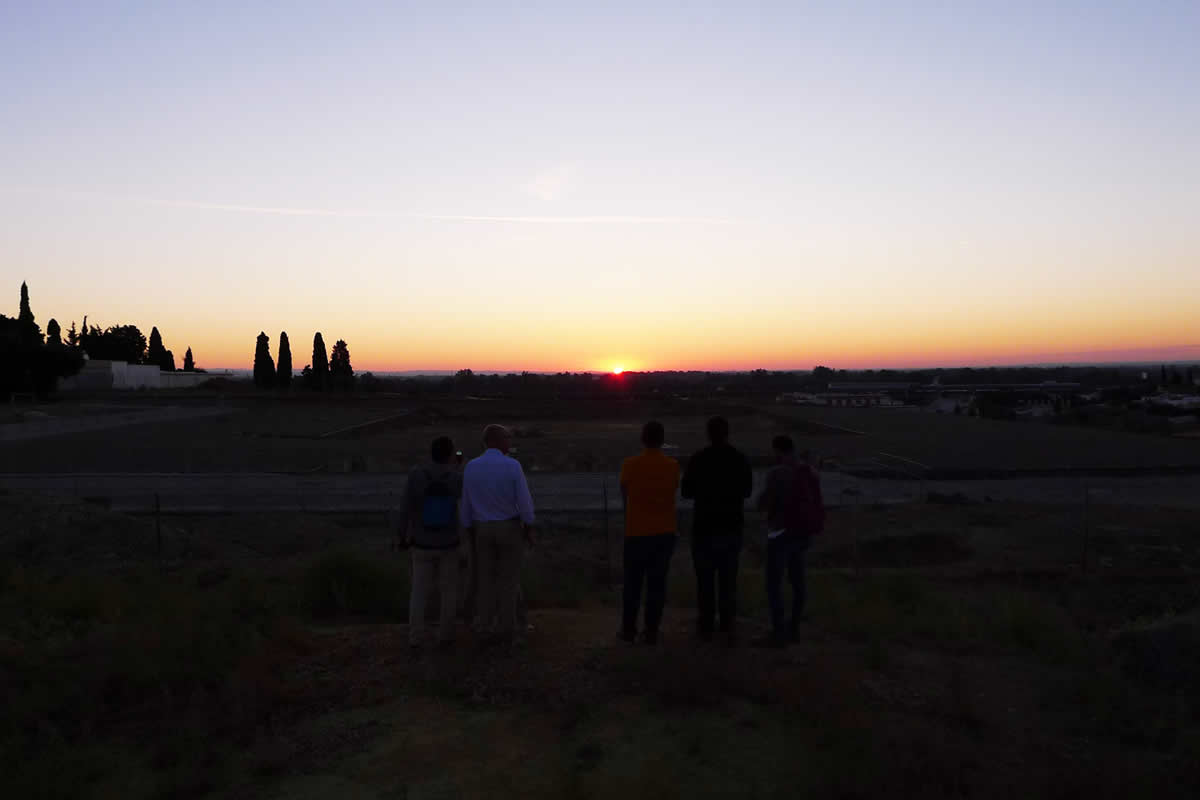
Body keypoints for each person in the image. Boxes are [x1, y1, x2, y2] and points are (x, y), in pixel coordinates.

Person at [460, 424, 536, 645]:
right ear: (499, 440)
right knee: (509, 580)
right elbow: (524, 501)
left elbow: (466, 503)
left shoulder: (471, 467)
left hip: (481, 529)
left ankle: (483, 626)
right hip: (509, 528)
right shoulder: (512, 466)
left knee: (485, 580)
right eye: (508, 438)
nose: (510, 442)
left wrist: (468, 527)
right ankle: (507, 629)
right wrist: (529, 526)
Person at [681, 416, 753, 642]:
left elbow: (686, 492)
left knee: (705, 581)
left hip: (704, 528)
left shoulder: (698, 459)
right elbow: (748, 491)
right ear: (727, 433)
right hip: (731, 527)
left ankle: (705, 627)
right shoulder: (740, 459)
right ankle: (728, 626)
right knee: (728, 581)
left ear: (708, 434)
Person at [753, 436, 825, 648]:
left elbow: (762, 503)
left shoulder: (777, 472)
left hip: (781, 533)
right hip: (803, 533)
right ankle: (794, 629)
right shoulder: (809, 471)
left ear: (777, 451)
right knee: (798, 582)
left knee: (774, 585)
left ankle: (778, 633)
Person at [618, 421, 681, 644]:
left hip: (636, 532)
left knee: (633, 585)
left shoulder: (629, 465)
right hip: (664, 532)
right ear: (662, 440)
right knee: (657, 584)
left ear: (642, 439)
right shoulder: (672, 466)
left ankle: (628, 631)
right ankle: (652, 631)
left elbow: (624, 495)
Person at [401, 435, 464, 650]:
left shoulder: (416, 475)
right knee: (448, 591)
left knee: (419, 591)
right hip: (448, 543)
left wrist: (402, 536)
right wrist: (457, 467)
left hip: (421, 542)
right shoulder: (456, 477)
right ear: (449, 455)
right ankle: (445, 635)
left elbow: (406, 509)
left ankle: (416, 636)